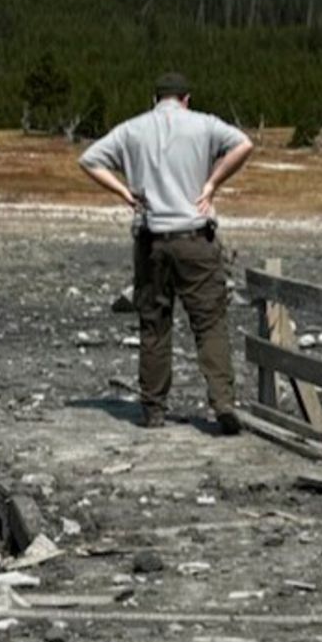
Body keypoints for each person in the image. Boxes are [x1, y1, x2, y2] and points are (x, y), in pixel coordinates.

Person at [79, 71, 253, 431]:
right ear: (186, 98)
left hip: (151, 237)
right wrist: (212, 183)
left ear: (154, 99)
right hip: (195, 236)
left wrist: (124, 193)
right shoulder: (204, 125)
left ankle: (154, 408)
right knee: (209, 323)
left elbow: (89, 159)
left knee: (154, 324)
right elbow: (243, 145)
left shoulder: (132, 129)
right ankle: (223, 402)